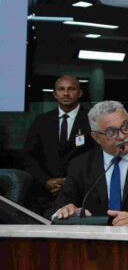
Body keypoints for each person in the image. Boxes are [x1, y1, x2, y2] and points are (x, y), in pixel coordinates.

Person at [48, 101, 128, 227]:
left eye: (125, 126)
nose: (122, 136)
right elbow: (56, 209)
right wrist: (68, 213)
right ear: (96, 138)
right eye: (111, 132)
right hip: (94, 243)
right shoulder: (81, 165)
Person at [23, 75, 95, 214]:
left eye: (71, 89)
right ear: (55, 94)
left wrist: (71, 182)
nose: (66, 93)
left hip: (81, 193)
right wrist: (46, 181)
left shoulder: (91, 120)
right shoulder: (42, 121)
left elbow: (97, 156)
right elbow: (29, 157)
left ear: (80, 93)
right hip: (45, 195)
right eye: (61, 89)